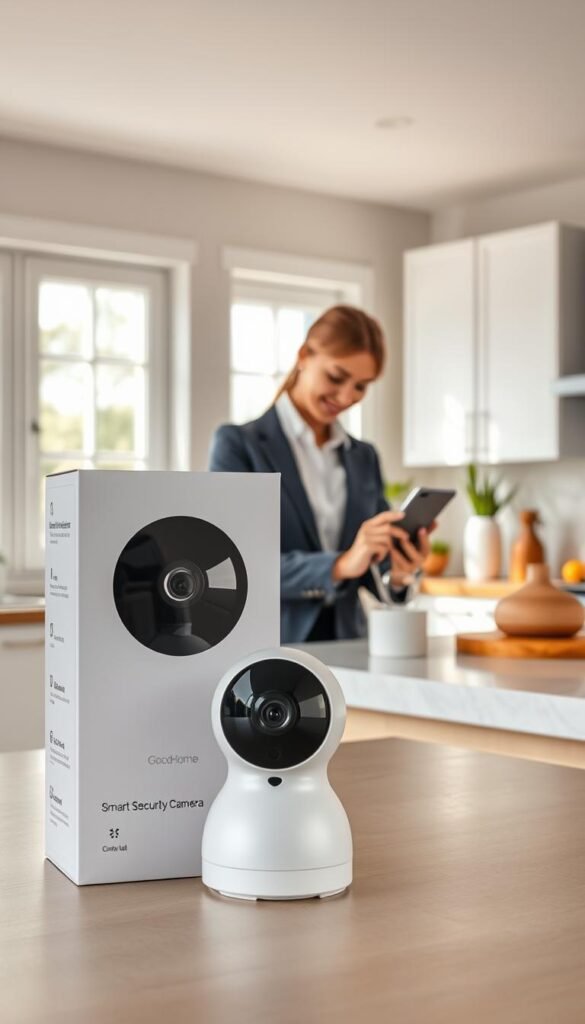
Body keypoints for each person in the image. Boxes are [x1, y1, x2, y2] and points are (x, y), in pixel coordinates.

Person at [208, 305, 430, 642]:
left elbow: (371, 571)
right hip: (271, 647)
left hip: (348, 648)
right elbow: (237, 567)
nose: (346, 397)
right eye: (336, 377)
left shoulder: (363, 457)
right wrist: (340, 564)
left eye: (361, 386)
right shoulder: (239, 446)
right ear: (303, 355)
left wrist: (399, 573)